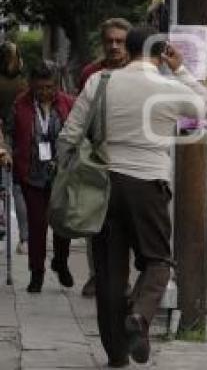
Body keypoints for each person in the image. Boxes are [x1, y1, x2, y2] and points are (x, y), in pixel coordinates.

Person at [58, 27, 207, 367]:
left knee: (109, 273)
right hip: (148, 186)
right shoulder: (168, 88)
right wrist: (181, 69)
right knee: (158, 260)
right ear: (159, 54)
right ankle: (140, 317)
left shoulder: (99, 82)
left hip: (103, 185)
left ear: (126, 50)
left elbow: (70, 133)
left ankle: (116, 355)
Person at [78, 17, 131, 297]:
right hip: (97, 155)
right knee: (94, 217)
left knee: (127, 221)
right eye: (109, 41)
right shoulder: (91, 73)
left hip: (130, 157)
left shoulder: (138, 73)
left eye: (120, 41)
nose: (114, 46)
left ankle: (123, 278)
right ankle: (96, 274)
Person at [13, 62, 76, 293]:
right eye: (39, 88)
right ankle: (36, 272)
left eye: (49, 87)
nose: (45, 92)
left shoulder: (68, 103)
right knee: (37, 225)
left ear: (56, 85)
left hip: (62, 173)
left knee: (62, 222)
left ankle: (60, 261)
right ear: (31, 85)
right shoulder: (20, 104)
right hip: (32, 174)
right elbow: (10, 133)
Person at [0, 41, 28, 252]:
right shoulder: (24, 84)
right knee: (17, 188)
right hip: (17, 140)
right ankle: (25, 238)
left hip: (5, 138)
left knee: (8, 187)